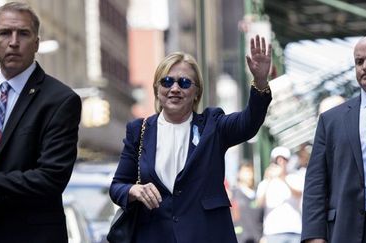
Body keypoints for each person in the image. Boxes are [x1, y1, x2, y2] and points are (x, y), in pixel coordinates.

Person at [109, 34, 272, 243]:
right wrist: (134, 190)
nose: (174, 88)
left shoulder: (213, 125)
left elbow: (249, 123)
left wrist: (260, 81)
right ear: (157, 89)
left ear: (196, 92)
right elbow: (117, 186)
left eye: (184, 83)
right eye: (167, 82)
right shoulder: (139, 130)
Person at [0, 2, 82, 243]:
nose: (13, 42)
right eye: (5, 33)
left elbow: (50, 178)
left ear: (36, 42)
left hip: (26, 234)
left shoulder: (59, 100)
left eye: (23, 33)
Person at [301, 35, 366, 243]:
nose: (365, 67)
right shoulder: (332, 120)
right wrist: (314, 236)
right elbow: (316, 182)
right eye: (359, 62)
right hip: (347, 231)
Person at [256, 146, 303, 243]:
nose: (280, 163)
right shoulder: (265, 182)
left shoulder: (295, 177)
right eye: (277, 160)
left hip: (294, 230)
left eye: (283, 160)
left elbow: (298, 194)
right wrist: (268, 179)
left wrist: (282, 178)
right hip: (273, 232)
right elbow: (259, 203)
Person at [231, 163, 264, 243]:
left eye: (251, 171)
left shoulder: (258, 195)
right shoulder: (233, 194)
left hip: (257, 238)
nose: (250, 174)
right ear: (239, 174)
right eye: (246, 171)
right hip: (239, 238)